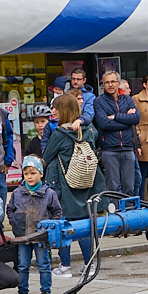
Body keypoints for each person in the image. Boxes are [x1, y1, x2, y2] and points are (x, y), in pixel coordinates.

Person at [43, 93, 106, 275]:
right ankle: (89, 265)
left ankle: (65, 266)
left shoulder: (59, 134)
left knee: (64, 226)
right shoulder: (87, 131)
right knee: (84, 226)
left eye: (56, 107)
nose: (52, 110)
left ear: (63, 110)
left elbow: (46, 157)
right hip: (85, 184)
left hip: (64, 187)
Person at [7, 155, 62, 294]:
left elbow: (57, 212)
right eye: (26, 173)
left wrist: (49, 228)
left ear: (41, 174)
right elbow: (10, 209)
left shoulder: (49, 193)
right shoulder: (17, 192)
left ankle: (46, 293)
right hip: (23, 237)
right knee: (23, 265)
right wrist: (15, 223)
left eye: (33, 173)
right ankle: (22, 293)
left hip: (41, 237)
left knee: (43, 265)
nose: (29, 177)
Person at [93, 70, 140, 195]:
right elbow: (103, 123)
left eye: (113, 81)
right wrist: (126, 120)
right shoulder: (99, 101)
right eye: (107, 82)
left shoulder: (128, 100)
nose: (110, 85)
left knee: (129, 186)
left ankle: (129, 212)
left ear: (118, 83)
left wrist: (115, 116)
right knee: (112, 187)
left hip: (128, 148)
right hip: (110, 149)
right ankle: (115, 213)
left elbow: (136, 118)